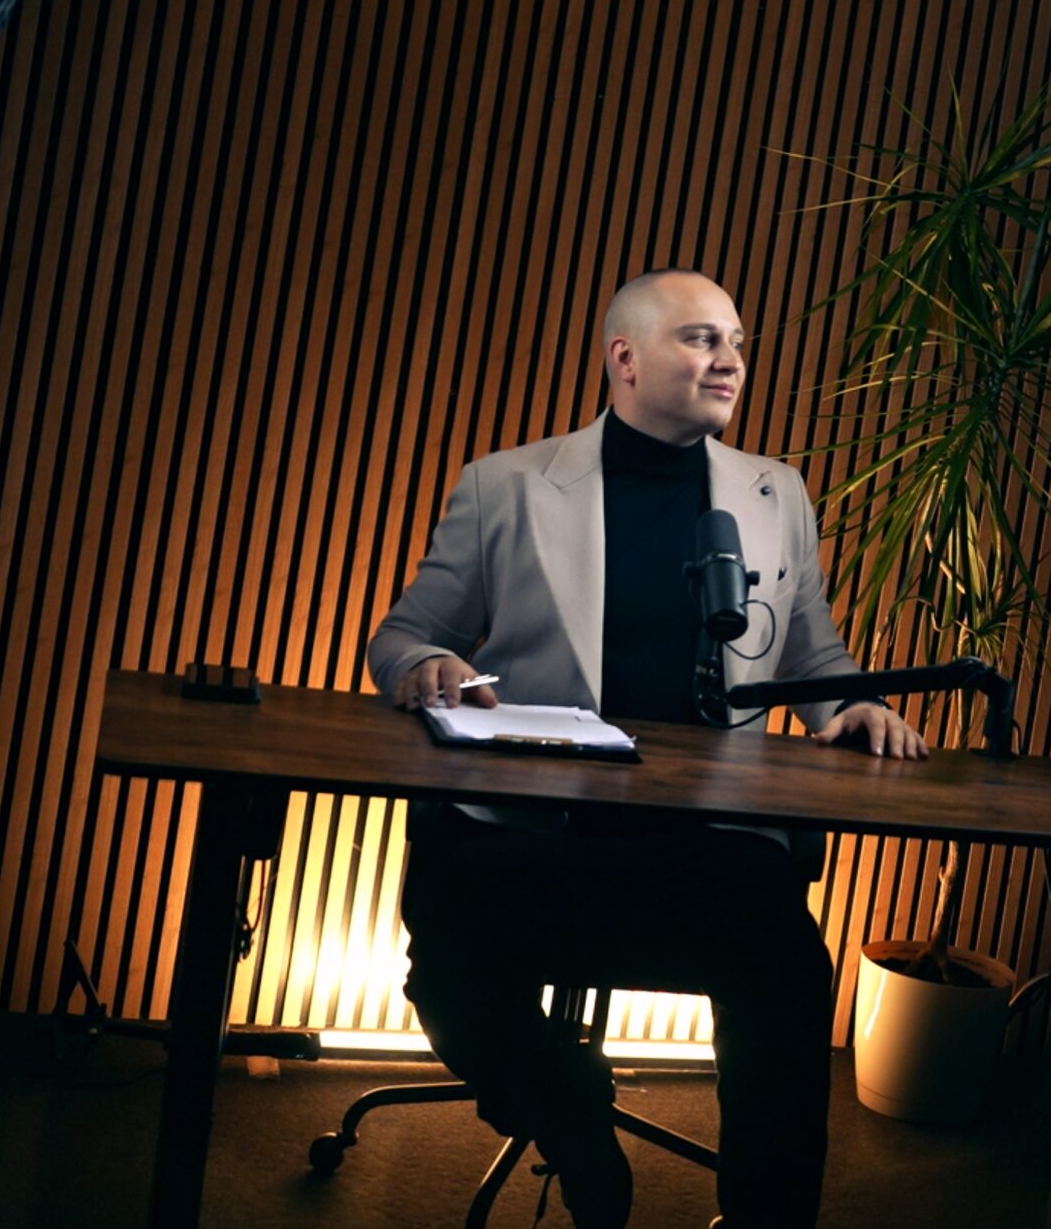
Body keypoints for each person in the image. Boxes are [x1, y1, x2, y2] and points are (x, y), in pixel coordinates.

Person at [367, 270, 925, 1228]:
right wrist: (429, 665)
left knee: (790, 974)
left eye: (737, 342)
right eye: (701, 339)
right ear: (623, 358)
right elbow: (404, 635)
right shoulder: (506, 483)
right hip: (527, 833)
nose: (730, 360)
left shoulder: (776, 492)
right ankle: (567, 1108)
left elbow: (813, 656)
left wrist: (855, 706)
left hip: (705, 845)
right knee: (450, 965)